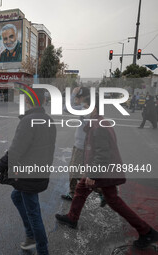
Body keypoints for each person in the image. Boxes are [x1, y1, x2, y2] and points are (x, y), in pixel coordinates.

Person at [55, 95, 158, 250]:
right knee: (82, 190)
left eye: (85, 106)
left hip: (102, 171)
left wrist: (92, 174)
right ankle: (72, 218)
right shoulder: (97, 122)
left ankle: (146, 231)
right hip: (102, 170)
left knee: (113, 201)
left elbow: (102, 154)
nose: (83, 109)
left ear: (94, 108)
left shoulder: (99, 126)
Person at [0, 89, 56, 255]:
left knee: (33, 212)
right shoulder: (49, 120)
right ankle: (31, 235)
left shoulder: (28, 121)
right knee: (16, 197)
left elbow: (15, 151)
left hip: (28, 176)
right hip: (39, 172)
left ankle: (41, 248)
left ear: (29, 102)